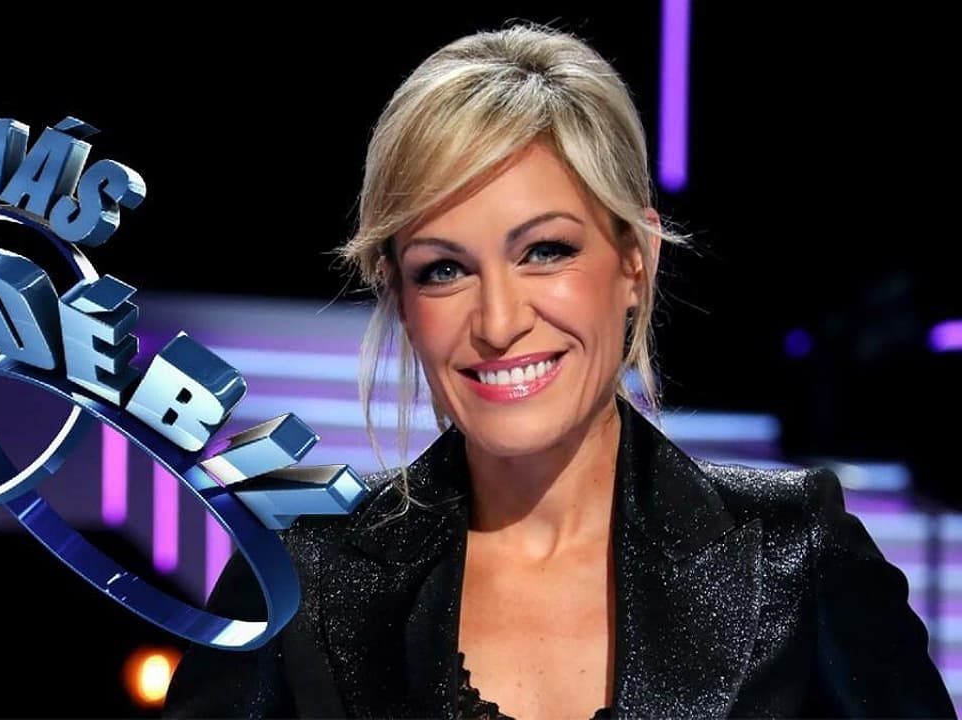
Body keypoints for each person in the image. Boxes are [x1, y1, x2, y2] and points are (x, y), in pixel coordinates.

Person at [162, 22, 955, 719]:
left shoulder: (794, 556)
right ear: (399, 297)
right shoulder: (299, 571)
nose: (499, 321)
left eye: (545, 251)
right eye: (444, 269)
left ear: (635, 260)